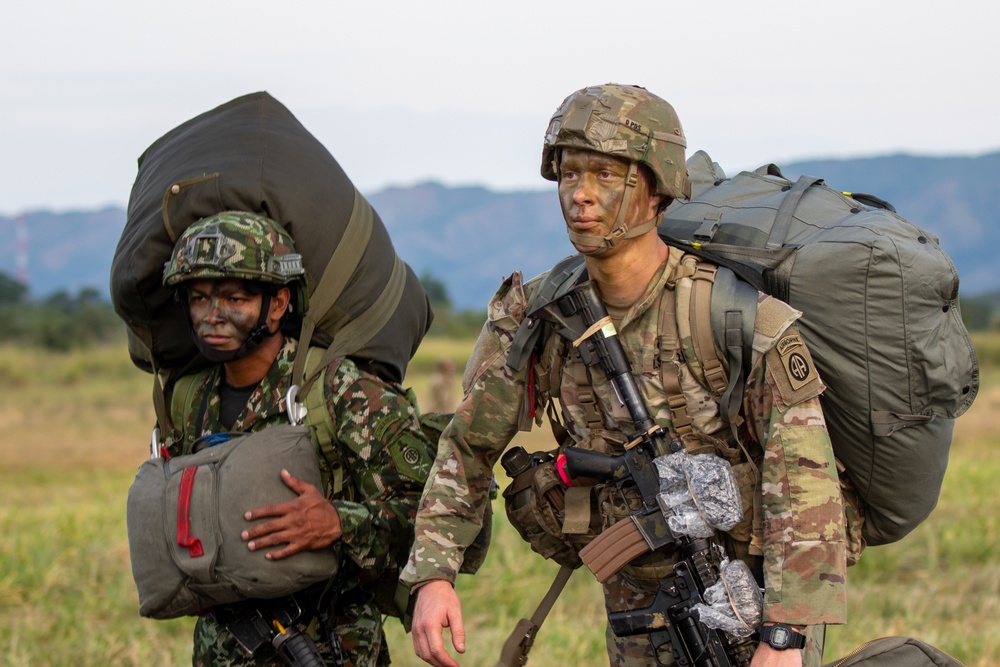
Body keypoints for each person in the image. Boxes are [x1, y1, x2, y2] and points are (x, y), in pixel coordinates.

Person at [402, 84, 848, 667]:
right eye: (569, 174)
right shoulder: (541, 314)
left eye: (607, 176)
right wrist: (434, 575)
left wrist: (784, 636)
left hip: (748, 607)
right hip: (637, 609)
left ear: (657, 187)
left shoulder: (733, 316)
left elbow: (804, 480)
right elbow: (468, 446)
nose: (580, 196)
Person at [160, 211, 433, 667]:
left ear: (279, 302)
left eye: (235, 298)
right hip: (222, 649)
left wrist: (338, 523)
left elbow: (431, 518)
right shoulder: (190, 400)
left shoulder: (341, 393)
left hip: (327, 648)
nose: (213, 316)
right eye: (199, 298)